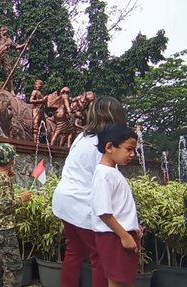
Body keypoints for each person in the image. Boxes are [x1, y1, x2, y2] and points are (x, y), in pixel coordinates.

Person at [52, 96, 127, 287]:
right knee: (100, 257)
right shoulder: (105, 145)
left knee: (74, 252)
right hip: (82, 204)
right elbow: (108, 184)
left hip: (64, 200)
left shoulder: (83, 137)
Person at [91, 123, 141, 287]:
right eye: (128, 149)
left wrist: (133, 227)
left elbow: (120, 207)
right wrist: (124, 236)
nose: (132, 154)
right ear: (110, 147)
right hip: (114, 237)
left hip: (121, 234)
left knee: (125, 280)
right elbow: (103, 212)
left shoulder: (113, 172)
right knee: (117, 282)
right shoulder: (103, 175)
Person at [0, 143, 32, 287]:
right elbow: (6, 206)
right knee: (13, 268)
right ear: (12, 160)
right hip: (5, 230)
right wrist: (22, 198)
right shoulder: (4, 180)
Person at [0, 26, 25, 94]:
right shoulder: (0, 36)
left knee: (8, 72)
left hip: (5, 55)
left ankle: (11, 90)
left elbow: (16, 47)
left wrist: (24, 44)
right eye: (2, 30)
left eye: (4, 30)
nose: (2, 31)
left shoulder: (9, 40)